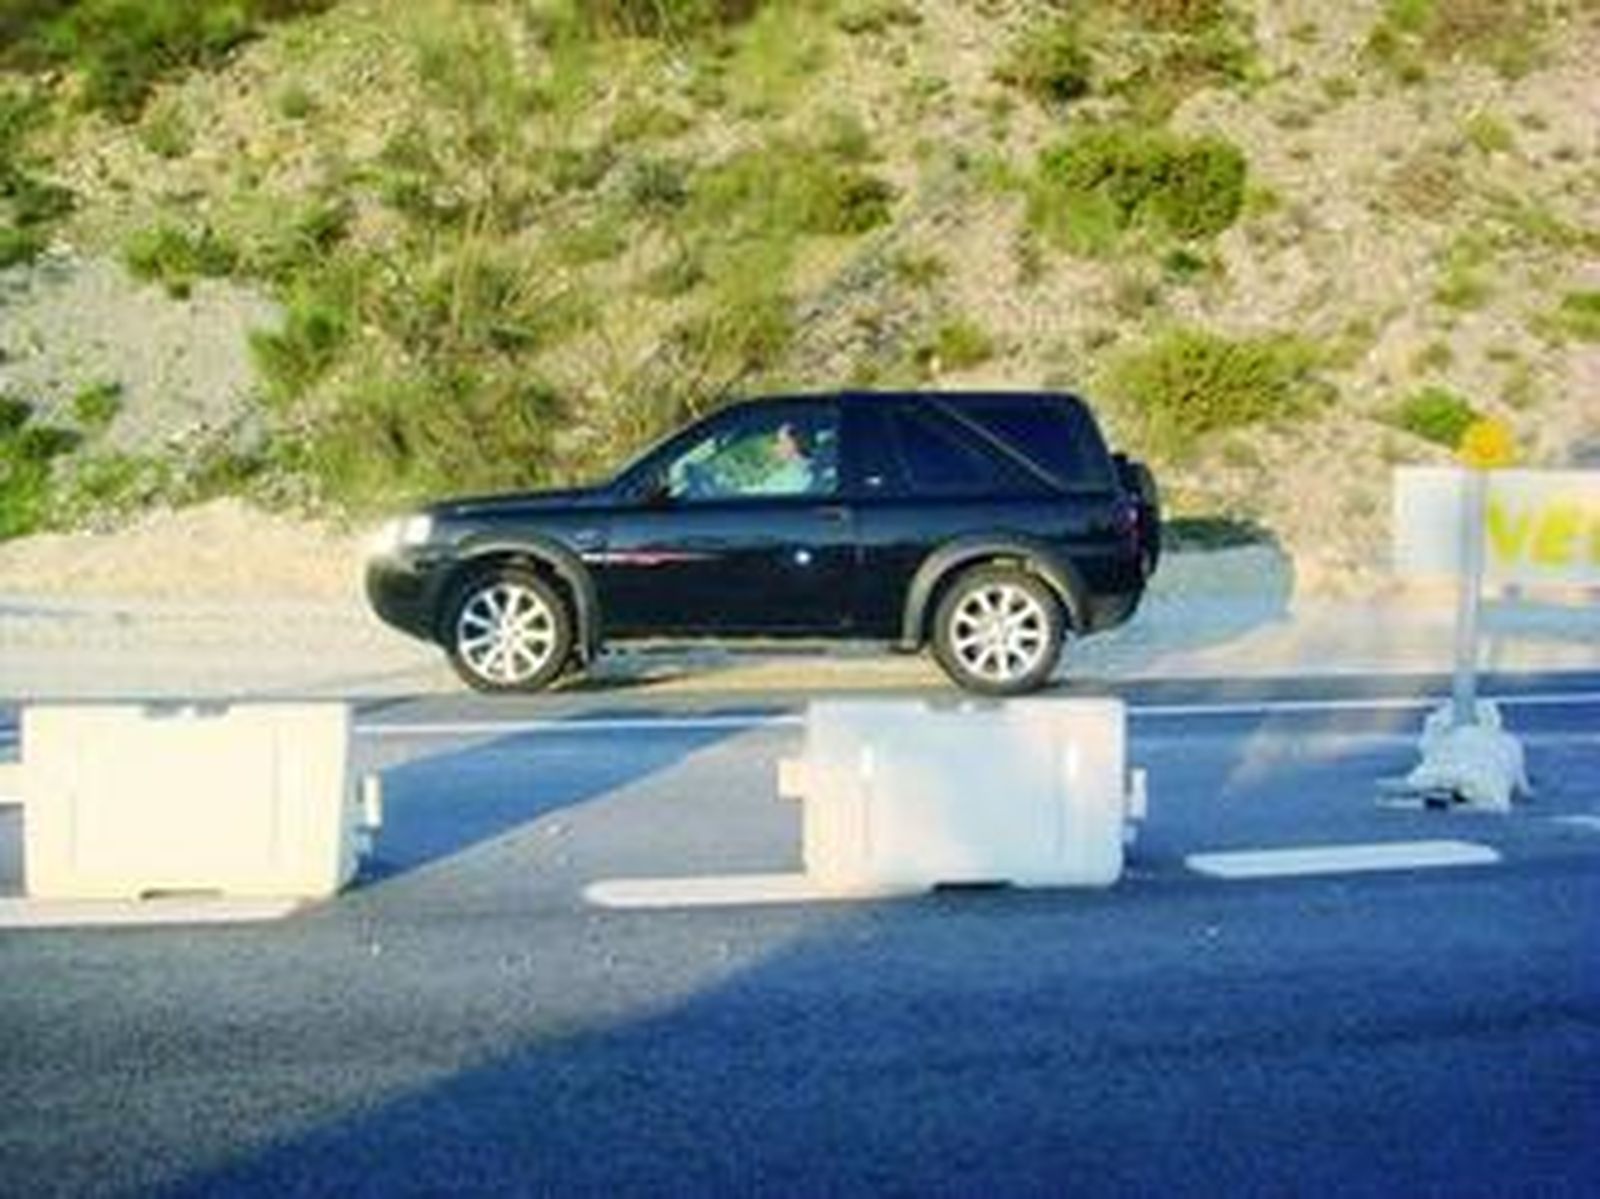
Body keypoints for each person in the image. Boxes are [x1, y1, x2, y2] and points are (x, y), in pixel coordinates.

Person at [751, 420, 815, 495]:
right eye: (778, 442)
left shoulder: (798, 471)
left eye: (783, 442)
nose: (776, 447)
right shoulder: (787, 466)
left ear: (793, 443)